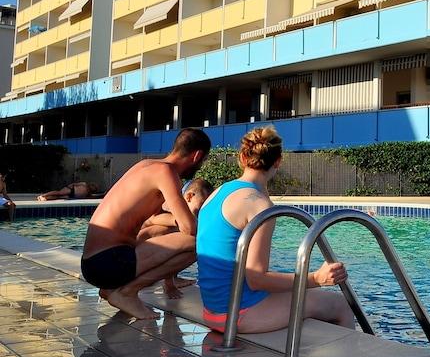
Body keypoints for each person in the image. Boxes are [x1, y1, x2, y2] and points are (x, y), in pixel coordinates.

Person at [197, 126, 355, 334]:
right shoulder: (260, 206)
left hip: (212, 311)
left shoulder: (219, 192)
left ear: (242, 158)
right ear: (278, 161)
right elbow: (257, 279)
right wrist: (316, 278)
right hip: (238, 314)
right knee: (340, 306)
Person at [80, 128, 210, 320]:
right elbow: (189, 229)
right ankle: (126, 292)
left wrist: (177, 223)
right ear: (197, 156)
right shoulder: (166, 173)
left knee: (162, 230)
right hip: (107, 262)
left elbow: (156, 219)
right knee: (201, 244)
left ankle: (111, 289)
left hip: (95, 263)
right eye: (203, 161)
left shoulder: (146, 165)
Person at [138, 178, 214, 299]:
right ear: (189, 197)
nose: (202, 211)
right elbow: (152, 222)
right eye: (201, 205)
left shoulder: (178, 211)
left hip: (144, 255)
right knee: (187, 237)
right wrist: (170, 285)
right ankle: (167, 280)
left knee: (189, 237)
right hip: (134, 253)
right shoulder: (170, 209)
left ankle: (171, 277)